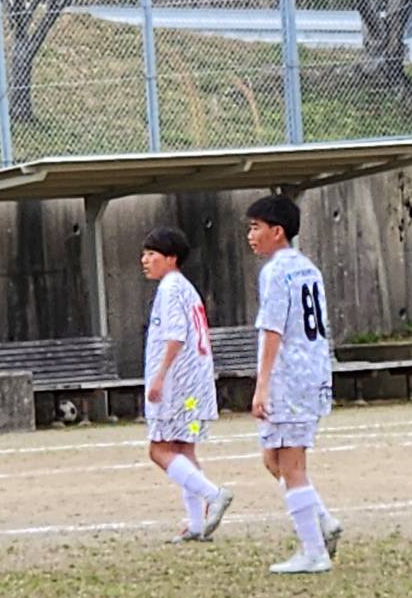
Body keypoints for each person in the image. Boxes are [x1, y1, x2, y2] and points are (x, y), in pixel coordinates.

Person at [246, 193, 343, 575]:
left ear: (277, 231)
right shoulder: (308, 268)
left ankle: (314, 551)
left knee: (291, 464)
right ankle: (323, 521)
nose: (251, 236)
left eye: (256, 227)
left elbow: (273, 329)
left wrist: (262, 385)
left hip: (290, 376)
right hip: (312, 371)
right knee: (274, 460)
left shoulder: (275, 272)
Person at [140, 226, 231, 543]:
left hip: (178, 385)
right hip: (196, 384)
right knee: (183, 448)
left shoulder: (170, 288)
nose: (145, 260)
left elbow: (176, 336)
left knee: (159, 450)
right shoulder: (186, 288)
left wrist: (159, 376)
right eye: (144, 254)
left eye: (152, 254)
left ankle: (214, 494)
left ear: (172, 258)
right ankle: (196, 525)